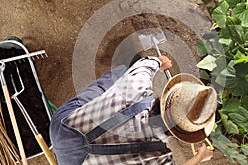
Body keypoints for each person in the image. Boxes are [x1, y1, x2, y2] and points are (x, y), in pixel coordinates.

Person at [50, 55, 215, 165]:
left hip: (62, 129)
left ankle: (116, 78)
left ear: (165, 98)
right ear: (184, 134)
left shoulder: (136, 87)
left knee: (113, 80)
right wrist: (199, 157)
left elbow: (144, 66)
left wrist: (159, 62)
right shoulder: (158, 158)